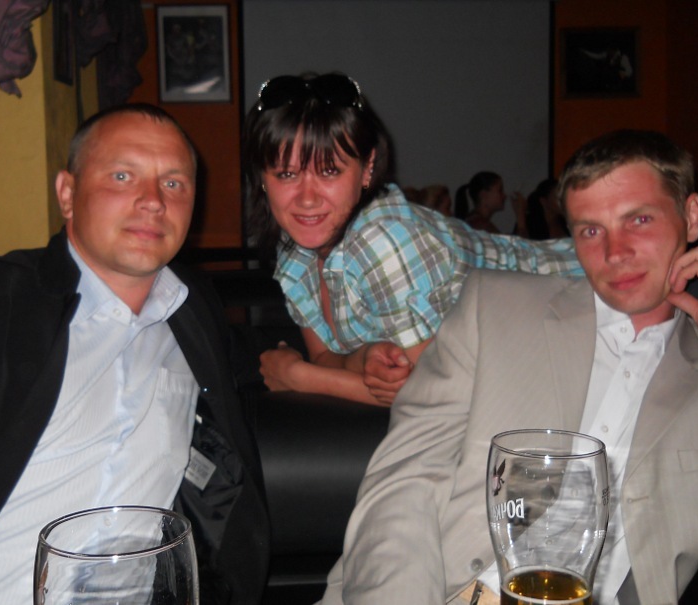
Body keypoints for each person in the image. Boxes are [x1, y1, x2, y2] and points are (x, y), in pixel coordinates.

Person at [0, 104, 269, 605]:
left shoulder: (195, 313)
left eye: (174, 183)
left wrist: (329, 369)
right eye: (122, 176)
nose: (154, 201)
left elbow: (255, 370)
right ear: (67, 194)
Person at [319, 129, 698, 604]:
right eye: (590, 230)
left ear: (691, 216)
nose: (614, 252)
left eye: (639, 220)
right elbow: (402, 485)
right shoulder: (495, 308)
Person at [242, 72, 583, 406]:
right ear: (262, 178)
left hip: (580, 289)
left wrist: (299, 376)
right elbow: (325, 357)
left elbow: (437, 396)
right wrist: (361, 359)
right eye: (286, 174)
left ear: (368, 167)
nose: (306, 198)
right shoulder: (296, 249)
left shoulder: (383, 241)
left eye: (329, 171)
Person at [454, 170, 526, 234]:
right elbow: (521, 244)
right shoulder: (480, 224)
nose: (504, 196)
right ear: (484, 195)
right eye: (500, 191)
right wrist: (520, 215)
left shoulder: (477, 221)